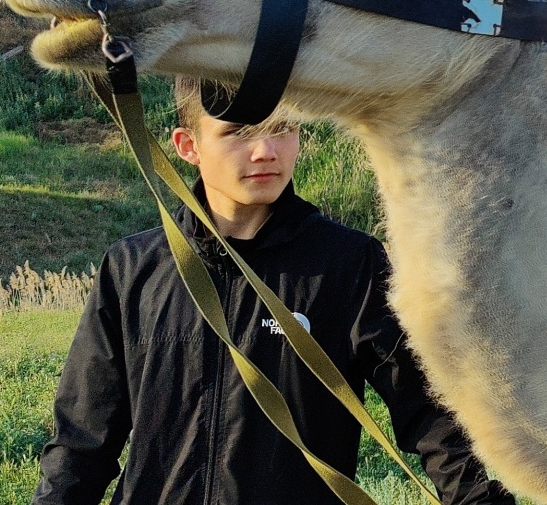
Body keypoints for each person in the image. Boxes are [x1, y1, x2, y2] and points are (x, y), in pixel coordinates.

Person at [34, 76, 515, 505]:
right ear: (188, 145)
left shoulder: (349, 266)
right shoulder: (132, 269)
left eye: (282, 127)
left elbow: (432, 419)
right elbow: (82, 440)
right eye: (238, 133)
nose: (265, 150)